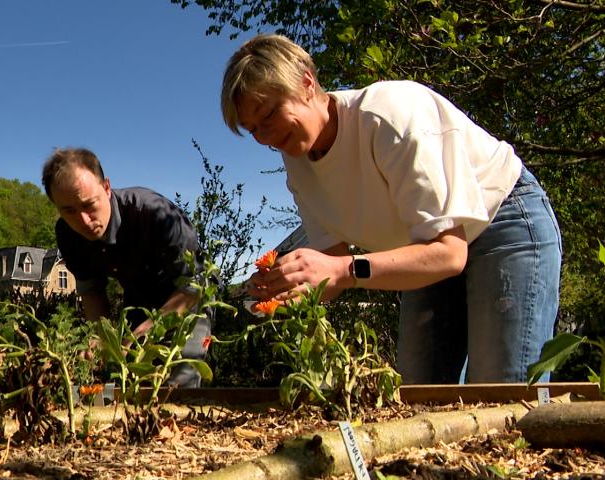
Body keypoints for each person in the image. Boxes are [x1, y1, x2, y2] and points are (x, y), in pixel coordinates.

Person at [223, 34, 562, 384]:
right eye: (252, 130)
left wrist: (342, 269)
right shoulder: (298, 160)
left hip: (500, 222)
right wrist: (288, 292)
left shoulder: (387, 117)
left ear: (306, 83)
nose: (265, 137)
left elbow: (448, 254)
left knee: (501, 390)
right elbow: (331, 265)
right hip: (422, 248)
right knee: (417, 386)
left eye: (269, 116)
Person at [41, 147, 210, 387]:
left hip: (188, 298)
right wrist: (101, 338)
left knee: (179, 383)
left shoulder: (154, 212)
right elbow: (91, 292)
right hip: (139, 299)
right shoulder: (67, 234)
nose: (83, 221)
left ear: (107, 187)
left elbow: (195, 285)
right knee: (127, 379)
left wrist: (150, 329)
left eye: (89, 205)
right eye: (68, 211)